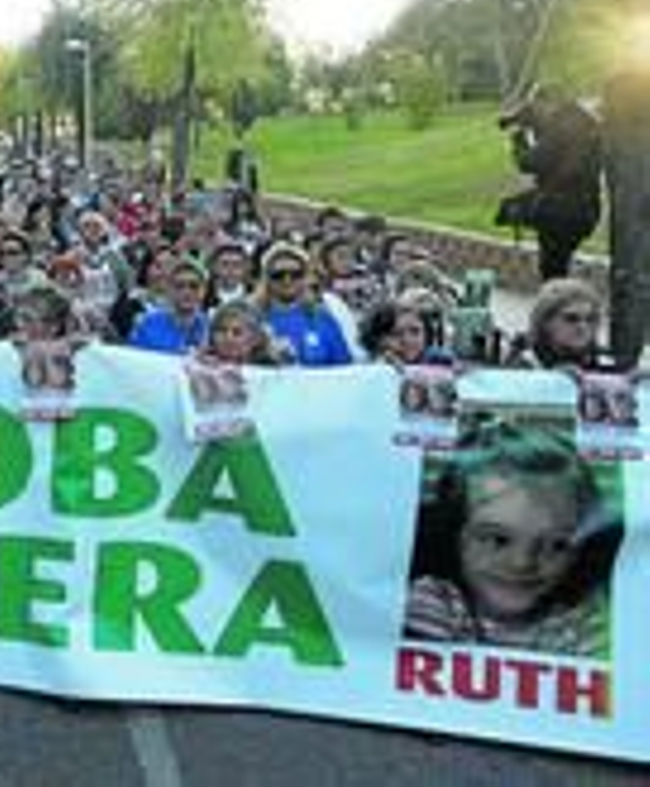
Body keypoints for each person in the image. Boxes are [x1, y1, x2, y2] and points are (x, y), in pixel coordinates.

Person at [404, 422, 619, 657]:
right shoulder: (433, 601)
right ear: (455, 533)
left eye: (556, 545)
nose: (522, 562)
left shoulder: (582, 624)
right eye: (498, 539)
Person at [500, 93, 603, 281]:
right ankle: (563, 304)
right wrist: (537, 127)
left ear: (548, 103)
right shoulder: (584, 122)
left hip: (561, 210)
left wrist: (519, 141)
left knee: (552, 271)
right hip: (586, 209)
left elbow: (530, 163)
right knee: (558, 266)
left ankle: (559, 307)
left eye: (536, 107)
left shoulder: (561, 125)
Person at [256, 243, 353, 367]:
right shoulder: (253, 319)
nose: (287, 280)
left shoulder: (323, 318)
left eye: (295, 274)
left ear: (305, 278)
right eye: (278, 275)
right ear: (267, 279)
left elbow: (344, 367)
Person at [505, 278, 610, 371]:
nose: (582, 327)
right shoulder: (522, 366)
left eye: (590, 319)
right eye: (571, 319)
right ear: (545, 322)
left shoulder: (605, 366)